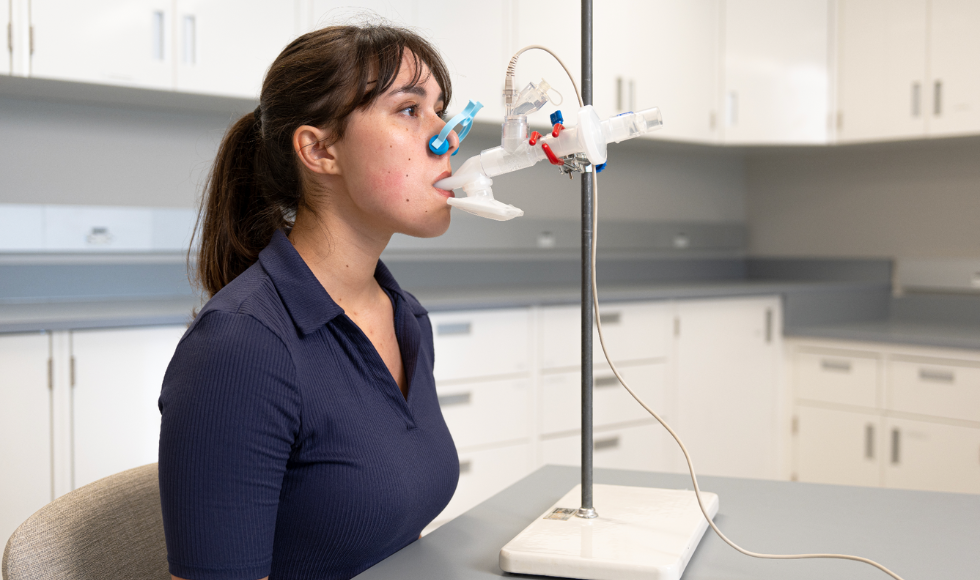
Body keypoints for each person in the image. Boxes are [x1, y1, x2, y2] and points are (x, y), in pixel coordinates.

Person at [158, 24, 461, 580]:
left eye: (441, 109)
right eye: (410, 110)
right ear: (319, 150)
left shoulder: (406, 318)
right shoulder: (242, 346)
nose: (448, 136)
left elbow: (393, 529)